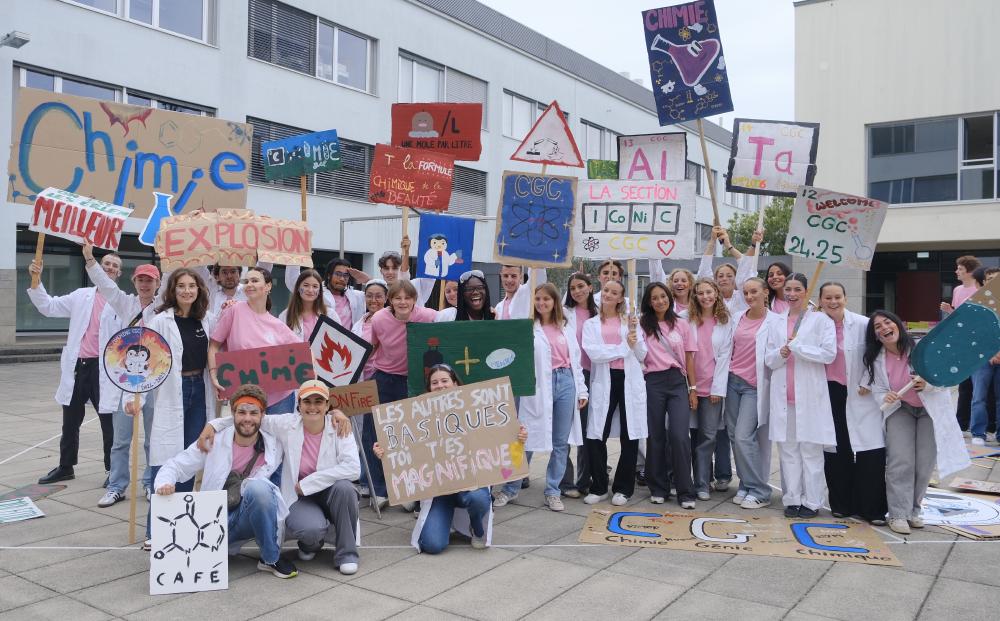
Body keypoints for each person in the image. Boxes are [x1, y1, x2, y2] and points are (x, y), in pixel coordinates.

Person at [198, 381, 358, 573]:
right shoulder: (287, 424)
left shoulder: (340, 426)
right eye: (307, 402)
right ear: (299, 405)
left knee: (346, 488)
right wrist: (213, 425)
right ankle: (311, 544)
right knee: (310, 529)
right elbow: (252, 418)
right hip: (300, 496)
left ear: (327, 405)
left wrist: (309, 483)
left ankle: (347, 554)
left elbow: (353, 468)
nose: (313, 407)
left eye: (319, 401)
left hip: (328, 490)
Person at [372, 365, 526, 552]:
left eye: (445, 381)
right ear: (429, 388)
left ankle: (477, 529)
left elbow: (500, 439)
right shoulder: (417, 417)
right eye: (434, 382)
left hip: (470, 486)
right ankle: (445, 522)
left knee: (478, 497)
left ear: (455, 383)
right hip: (439, 493)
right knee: (431, 545)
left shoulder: (474, 408)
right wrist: (384, 453)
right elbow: (405, 452)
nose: (440, 385)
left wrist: (517, 438)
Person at [154, 384, 297, 578]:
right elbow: (176, 466)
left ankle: (270, 558)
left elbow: (306, 419)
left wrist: (336, 414)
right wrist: (164, 484)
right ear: (233, 413)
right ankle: (215, 547)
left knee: (259, 489)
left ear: (263, 415)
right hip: (212, 523)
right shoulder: (213, 441)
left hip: (247, 517)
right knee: (258, 488)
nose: (247, 418)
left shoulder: (274, 444)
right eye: (242, 412)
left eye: (254, 413)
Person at [863, 311, 970, 534]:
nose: (884, 328)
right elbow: (877, 389)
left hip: (929, 411)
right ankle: (898, 514)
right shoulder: (876, 359)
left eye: (887, 322)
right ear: (875, 336)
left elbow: (946, 379)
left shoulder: (922, 348)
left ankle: (914, 510)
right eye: (877, 327)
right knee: (900, 461)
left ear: (898, 324)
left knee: (924, 464)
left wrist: (928, 385)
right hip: (900, 410)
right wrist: (885, 396)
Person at [27, 249, 122, 484]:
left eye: (114, 266)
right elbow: (48, 307)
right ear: (100, 266)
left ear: (119, 273)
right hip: (78, 367)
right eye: (106, 263)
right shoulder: (81, 296)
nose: (109, 267)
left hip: (104, 370)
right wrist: (36, 280)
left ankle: (113, 470)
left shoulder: (120, 301)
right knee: (70, 421)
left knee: (108, 422)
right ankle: (66, 466)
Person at [493, 284, 588, 510]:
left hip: (566, 382)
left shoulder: (565, 326)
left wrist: (582, 389)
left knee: (561, 441)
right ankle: (510, 488)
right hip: (538, 386)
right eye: (538, 299)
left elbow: (575, 359)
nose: (542, 303)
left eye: (547, 299)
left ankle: (553, 490)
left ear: (555, 301)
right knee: (525, 437)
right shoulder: (528, 327)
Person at [83, 243, 162, 507]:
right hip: (126, 383)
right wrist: (89, 259)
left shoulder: (163, 307)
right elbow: (106, 286)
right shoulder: (125, 304)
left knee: (154, 439)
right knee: (120, 440)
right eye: (140, 279)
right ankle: (117, 485)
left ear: (158, 282)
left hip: (155, 381)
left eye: (149, 280)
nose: (144, 284)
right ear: (134, 281)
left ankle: (151, 482)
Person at [764, 273, 836, 519]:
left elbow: (828, 354)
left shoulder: (820, 320)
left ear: (806, 292)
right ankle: (792, 498)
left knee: (811, 452)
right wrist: (782, 352)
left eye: (797, 289)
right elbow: (769, 359)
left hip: (810, 397)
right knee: (788, 451)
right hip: (784, 398)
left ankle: (812, 501)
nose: (792, 294)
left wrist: (799, 348)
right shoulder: (775, 321)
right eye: (788, 289)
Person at [364, 280, 440, 507]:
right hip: (384, 376)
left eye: (408, 298)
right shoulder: (378, 319)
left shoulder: (428, 316)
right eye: (398, 298)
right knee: (374, 431)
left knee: (413, 434)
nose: (403, 302)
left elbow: (451, 319)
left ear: (415, 300)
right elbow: (372, 346)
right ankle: (379, 489)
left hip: (415, 380)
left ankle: (411, 489)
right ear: (390, 300)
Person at [817, 283, 887, 525]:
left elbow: (877, 354)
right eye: (828, 298)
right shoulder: (815, 323)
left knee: (869, 449)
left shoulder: (862, 323)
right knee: (837, 450)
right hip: (829, 392)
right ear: (820, 300)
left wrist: (868, 380)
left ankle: (872, 508)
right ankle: (841, 504)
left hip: (860, 391)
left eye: (837, 297)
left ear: (845, 298)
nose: (833, 301)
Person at [582, 280, 648, 505]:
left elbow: (641, 354)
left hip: (628, 380)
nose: (608, 294)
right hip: (604, 380)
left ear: (621, 298)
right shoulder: (591, 324)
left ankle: (623, 488)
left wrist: (634, 336)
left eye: (614, 292)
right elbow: (594, 353)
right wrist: (622, 348)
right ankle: (599, 486)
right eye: (606, 290)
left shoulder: (629, 322)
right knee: (596, 433)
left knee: (630, 435)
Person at [209, 267, 300, 414]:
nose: (249, 284)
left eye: (255, 280)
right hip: (245, 396)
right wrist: (214, 375)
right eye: (246, 281)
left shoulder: (278, 325)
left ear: (268, 286)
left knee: (278, 438)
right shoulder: (233, 311)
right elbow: (214, 345)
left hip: (280, 399)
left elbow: (303, 355)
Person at [725, 277, 781, 510]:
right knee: (733, 436)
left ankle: (761, 491)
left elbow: (777, 354)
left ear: (766, 293)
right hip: (732, 382)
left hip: (754, 386)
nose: (749, 297)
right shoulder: (737, 317)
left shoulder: (776, 321)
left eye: (754, 292)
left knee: (743, 436)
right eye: (746, 293)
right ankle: (746, 485)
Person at [641, 282, 698, 508]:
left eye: (663, 296)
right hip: (653, 382)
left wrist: (693, 389)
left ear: (669, 298)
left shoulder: (682, 324)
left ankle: (685, 490)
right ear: (649, 301)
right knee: (655, 436)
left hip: (677, 382)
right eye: (654, 298)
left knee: (679, 435)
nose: (660, 301)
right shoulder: (644, 325)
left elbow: (690, 358)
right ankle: (658, 487)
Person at [686, 278, 735, 502]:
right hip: (687, 386)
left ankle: (702, 483)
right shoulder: (686, 320)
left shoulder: (725, 322)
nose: (705, 296)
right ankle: (681, 480)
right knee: (681, 435)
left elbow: (725, 357)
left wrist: (718, 389)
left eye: (709, 292)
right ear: (694, 296)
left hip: (712, 388)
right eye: (700, 293)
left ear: (716, 293)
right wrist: (690, 388)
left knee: (708, 436)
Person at [561, 272, 599, 497]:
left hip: (594, 376)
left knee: (587, 430)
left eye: (581, 286)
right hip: (571, 374)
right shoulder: (564, 313)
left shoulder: (600, 312)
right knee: (565, 429)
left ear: (590, 287)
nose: (577, 291)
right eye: (573, 287)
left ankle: (584, 479)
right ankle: (565, 481)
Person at [941, 255, 982, 431]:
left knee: (980, 386)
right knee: (964, 384)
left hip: (977, 342)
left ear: (970, 272)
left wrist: (952, 311)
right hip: (961, 342)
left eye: (960, 269)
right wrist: (950, 311)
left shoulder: (980, 289)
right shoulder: (957, 290)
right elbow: (957, 318)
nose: (956, 271)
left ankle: (981, 425)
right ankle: (961, 422)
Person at [286, 260, 365, 329]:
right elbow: (293, 281)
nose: (342, 279)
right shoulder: (316, 292)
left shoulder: (356, 296)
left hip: (348, 345)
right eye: (338, 274)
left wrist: (367, 279)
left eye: (346, 275)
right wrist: (295, 255)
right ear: (329, 275)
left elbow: (375, 293)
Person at [970, 267, 1000, 445]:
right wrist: (990, 352)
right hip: (982, 357)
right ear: (984, 282)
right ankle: (978, 433)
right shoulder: (977, 303)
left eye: (996, 278)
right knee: (978, 397)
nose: (993, 282)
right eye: (989, 279)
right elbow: (974, 332)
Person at [279, 268, 328, 341]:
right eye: (306, 285)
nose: (310, 290)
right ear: (298, 288)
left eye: (315, 286)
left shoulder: (330, 314)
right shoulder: (285, 315)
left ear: (320, 290)